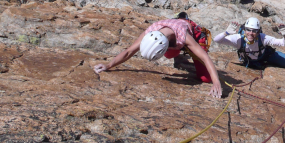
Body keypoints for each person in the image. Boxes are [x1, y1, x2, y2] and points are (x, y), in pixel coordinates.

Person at [93, 17, 223, 98]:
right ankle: (178, 56)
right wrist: (108, 65)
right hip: (172, 38)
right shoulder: (150, 32)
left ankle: (183, 53)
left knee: (205, 78)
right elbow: (129, 51)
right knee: (169, 55)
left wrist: (216, 82)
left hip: (191, 33)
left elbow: (205, 58)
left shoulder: (184, 37)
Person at [213, 17, 285, 69]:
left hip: (266, 56)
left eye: (254, 31)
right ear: (244, 30)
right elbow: (216, 40)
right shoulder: (238, 39)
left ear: (258, 32)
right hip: (249, 60)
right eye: (248, 30)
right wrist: (226, 33)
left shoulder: (263, 38)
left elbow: (284, 44)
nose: (251, 33)